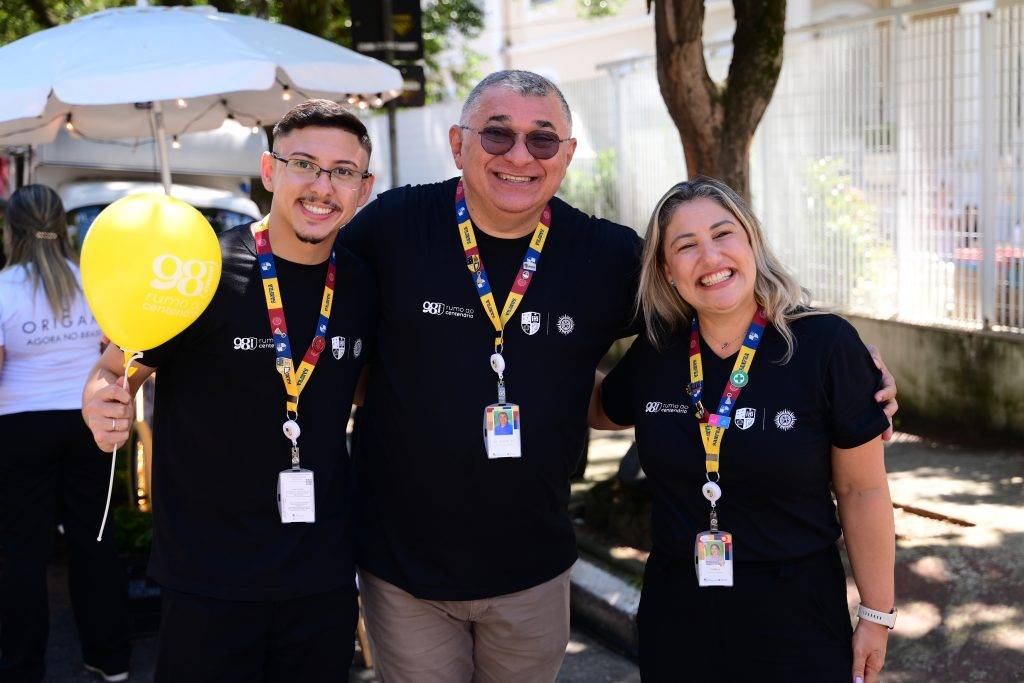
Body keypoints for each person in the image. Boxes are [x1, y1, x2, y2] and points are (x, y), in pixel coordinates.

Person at [341, 70, 898, 682]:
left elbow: (719, 288)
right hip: (406, 567)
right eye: (497, 136)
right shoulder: (391, 226)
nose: (520, 155)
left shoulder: (606, 256)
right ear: (458, 143)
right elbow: (318, 316)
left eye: (543, 140)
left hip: (534, 569)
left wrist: (847, 364)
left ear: (567, 154)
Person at [80, 100, 377, 681]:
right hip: (209, 578)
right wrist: (100, 401)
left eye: (343, 171)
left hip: (322, 575)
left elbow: (361, 387)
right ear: (269, 172)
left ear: (363, 189)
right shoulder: (203, 270)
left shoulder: (365, 283)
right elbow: (115, 369)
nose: (323, 185)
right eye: (304, 164)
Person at [589, 178, 896, 683]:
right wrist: (541, 356)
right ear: (667, 270)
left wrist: (877, 616)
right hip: (678, 612)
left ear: (752, 240)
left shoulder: (825, 345)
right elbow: (603, 408)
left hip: (796, 614)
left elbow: (861, 490)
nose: (709, 257)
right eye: (685, 246)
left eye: (723, 234)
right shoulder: (659, 350)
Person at [0, 185, 130, 682]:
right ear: (65, 224)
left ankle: (21, 667)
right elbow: (117, 350)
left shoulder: (4, 288)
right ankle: (112, 658)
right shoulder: (93, 283)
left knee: (22, 552)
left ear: (12, 230)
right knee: (95, 540)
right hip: (86, 423)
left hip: (19, 428)